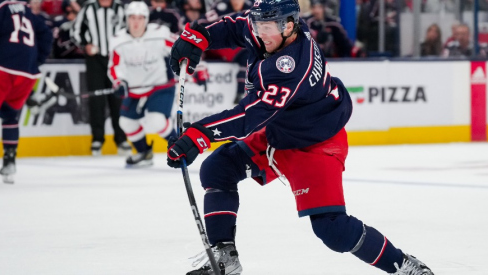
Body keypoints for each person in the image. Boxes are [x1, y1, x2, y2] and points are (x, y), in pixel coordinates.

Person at [166, 0, 435, 274]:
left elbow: (250, 116)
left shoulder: (291, 66)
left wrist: (200, 134)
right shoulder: (276, 29)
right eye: (259, 24)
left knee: (333, 230)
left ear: (290, 27)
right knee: (218, 169)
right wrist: (202, 36)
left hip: (316, 144)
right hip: (281, 130)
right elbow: (238, 27)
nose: (260, 33)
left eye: (267, 27)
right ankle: (224, 257)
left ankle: (402, 265)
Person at [107, 1, 179, 167]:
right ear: (127, 19)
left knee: (156, 121)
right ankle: (143, 152)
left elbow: (182, 47)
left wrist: (198, 68)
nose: (136, 22)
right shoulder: (118, 40)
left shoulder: (159, 34)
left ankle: (178, 148)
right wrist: (119, 82)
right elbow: (114, 66)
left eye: (140, 18)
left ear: (146, 19)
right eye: (132, 17)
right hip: (135, 90)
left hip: (160, 86)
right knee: (125, 123)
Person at [0, 0, 53, 183]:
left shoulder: (2, 8)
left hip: (3, 70)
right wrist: (36, 62)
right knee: (9, 115)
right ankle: (9, 162)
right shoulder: (29, 12)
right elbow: (46, 34)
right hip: (28, 75)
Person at [70, 0, 130, 156]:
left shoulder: (120, 8)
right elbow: (75, 31)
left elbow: (129, 31)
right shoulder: (89, 8)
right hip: (95, 60)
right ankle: (97, 139)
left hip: (117, 59)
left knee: (118, 100)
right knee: (96, 100)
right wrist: (85, 45)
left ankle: (121, 139)